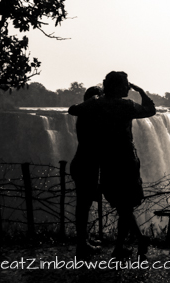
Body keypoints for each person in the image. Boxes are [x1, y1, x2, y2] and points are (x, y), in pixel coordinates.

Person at [69, 71, 156, 260]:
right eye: (125, 84)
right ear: (117, 86)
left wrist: (92, 100)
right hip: (125, 160)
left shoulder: (96, 105)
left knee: (121, 205)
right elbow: (150, 110)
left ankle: (126, 244)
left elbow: (73, 109)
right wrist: (141, 91)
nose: (128, 87)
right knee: (125, 206)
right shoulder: (126, 105)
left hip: (107, 161)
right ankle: (124, 245)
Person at [70, 86, 104, 259]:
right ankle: (81, 245)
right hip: (85, 166)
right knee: (83, 207)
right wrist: (95, 99)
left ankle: (83, 241)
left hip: (85, 165)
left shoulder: (89, 116)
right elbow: (72, 109)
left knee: (85, 205)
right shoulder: (86, 114)